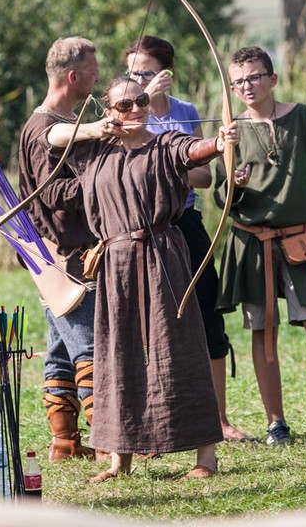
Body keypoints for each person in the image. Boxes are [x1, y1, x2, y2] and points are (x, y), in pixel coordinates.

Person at [47, 77, 238, 481]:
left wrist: (220, 144)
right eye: (125, 104)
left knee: (179, 346)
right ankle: (120, 458)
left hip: (162, 256)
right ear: (108, 110)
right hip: (114, 260)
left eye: (142, 101)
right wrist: (96, 129)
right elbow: (51, 135)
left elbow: (194, 151)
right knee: (118, 355)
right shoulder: (93, 151)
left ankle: (206, 457)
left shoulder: (164, 144)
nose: (135, 108)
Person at [214, 46, 306, 445]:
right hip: (252, 245)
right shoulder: (231, 130)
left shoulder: (301, 117)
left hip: (299, 242)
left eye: (255, 76)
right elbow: (222, 199)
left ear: (272, 79)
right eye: (238, 81)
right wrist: (234, 184)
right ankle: (276, 423)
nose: (247, 86)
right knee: (263, 330)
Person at [124, 35, 253, 443]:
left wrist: (163, 166)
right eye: (129, 73)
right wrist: (140, 102)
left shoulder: (185, 111)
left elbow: (203, 175)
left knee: (207, 317)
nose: (135, 80)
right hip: (145, 228)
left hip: (187, 221)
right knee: (148, 325)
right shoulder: (126, 113)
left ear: (165, 74)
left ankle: (219, 419)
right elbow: (123, 165)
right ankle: (150, 425)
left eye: (143, 72)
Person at [18, 37, 101, 461]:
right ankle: (110, 441)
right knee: (89, 347)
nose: (98, 77)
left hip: (61, 253)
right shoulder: (41, 129)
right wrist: (104, 181)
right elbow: (54, 194)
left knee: (60, 350)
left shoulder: (65, 119)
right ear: (73, 76)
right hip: (63, 257)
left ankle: (65, 443)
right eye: (93, 71)